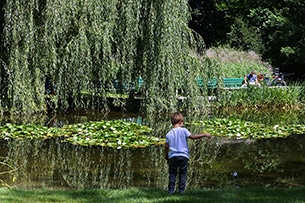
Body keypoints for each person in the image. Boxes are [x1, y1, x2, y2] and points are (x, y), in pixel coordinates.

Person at [164, 112, 211, 194]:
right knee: (182, 173)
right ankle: (181, 190)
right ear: (180, 122)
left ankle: (171, 190)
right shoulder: (184, 130)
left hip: (173, 157)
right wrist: (204, 134)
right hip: (183, 156)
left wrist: (167, 157)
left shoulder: (168, 134)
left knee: (172, 174)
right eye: (183, 122)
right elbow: (192, 137)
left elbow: (166, 147)